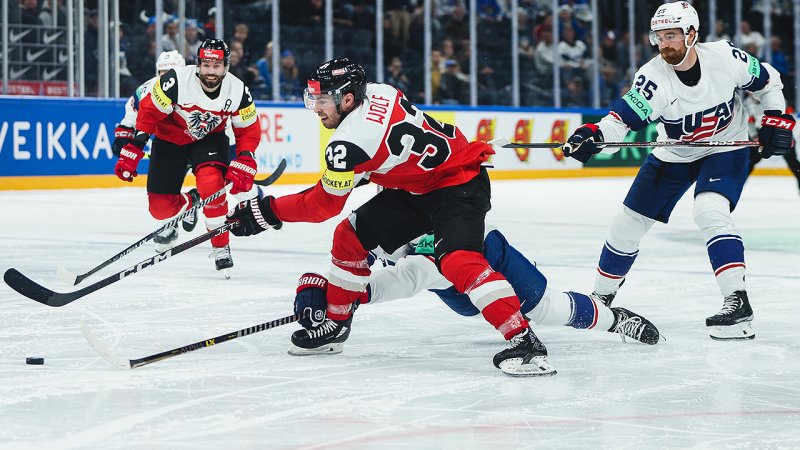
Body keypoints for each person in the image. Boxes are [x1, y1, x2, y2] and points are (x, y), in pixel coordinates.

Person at [227, 57, 554, 377]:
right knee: (349, 236)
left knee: (458, 261)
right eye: (312, 98)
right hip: (422, 185)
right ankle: (336, 325)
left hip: (459, 185)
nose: (316, 108)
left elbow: (323, 205)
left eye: (323, 99)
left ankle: (525, 343)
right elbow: (385, 155)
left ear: (348, 98)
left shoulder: (348, 143)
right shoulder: (381, 91)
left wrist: (265, 211)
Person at [561, 2, 794, 341]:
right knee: (627, 223)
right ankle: (601, 299)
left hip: (725, 148)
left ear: (691, 34)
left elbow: (769, 80)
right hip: (673, 154)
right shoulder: (653, 78)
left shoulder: (725, 58)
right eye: (659, 36)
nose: (664, 43)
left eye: (671, 35)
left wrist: (776, 116)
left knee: (710, 210)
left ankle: (737, 302)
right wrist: (595, 135)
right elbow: (621, 121)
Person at [293, 227, 662, 349]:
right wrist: (318, 289)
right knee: (433, 273)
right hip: (454, 287)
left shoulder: (417, 260)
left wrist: (330, 297)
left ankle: (616, 320)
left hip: (489, 256)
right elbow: (358, 274)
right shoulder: (385, 232)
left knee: (546, 310)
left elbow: (379, 286)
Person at [115, 39, 262, 278]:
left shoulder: (238, 90)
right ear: (198, 64)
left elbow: (247, 129)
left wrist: (246, 157)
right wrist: (134, 147)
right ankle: (194, 200)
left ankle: (220, 246)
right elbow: (149, 112)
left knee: (211, 184)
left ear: (226, 66)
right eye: (206, 65)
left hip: (209, 140)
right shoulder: (175, 81)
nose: (211, 71)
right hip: (169, 141)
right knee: (160, 210)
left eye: (217, 66)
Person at [112, 51, 201, 237]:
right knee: (164, 191)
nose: (167, 77)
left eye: (172, 71)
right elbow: (130, 120)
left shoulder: (198, 88)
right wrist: (123, 139)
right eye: (163, 72)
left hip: (197, 142)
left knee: (211, 180)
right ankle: (183, 211)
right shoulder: (144, 91)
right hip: (167, 144)